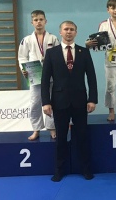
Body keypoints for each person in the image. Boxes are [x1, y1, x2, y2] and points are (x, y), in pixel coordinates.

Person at [41, 21, 98, 182]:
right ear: (60, 32)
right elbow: (45, 80)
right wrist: (46, 102)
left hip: (80, 101)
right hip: (59, 101)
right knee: (60, 138)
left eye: (72, 29)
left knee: (82, 137)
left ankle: (86, 169)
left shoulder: (84, 52)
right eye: (66, 29)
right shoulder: (51, 53)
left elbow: (91, 77)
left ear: (76, 32)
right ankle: (59, 170)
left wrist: (92, 99)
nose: (69, 32)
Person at [18, 10, 59, 141]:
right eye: (36, 20)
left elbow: (59, 56)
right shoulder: (27, 40)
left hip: (51, 74)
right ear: (32, 22)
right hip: (34, 73)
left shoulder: (53, 38)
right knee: (35, 103)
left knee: (51, 102)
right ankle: (36, 129)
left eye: (41, 19)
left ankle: (52, 127)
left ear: (45, 21)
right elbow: (22, 57)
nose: (39, 22)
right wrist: (24, 69)